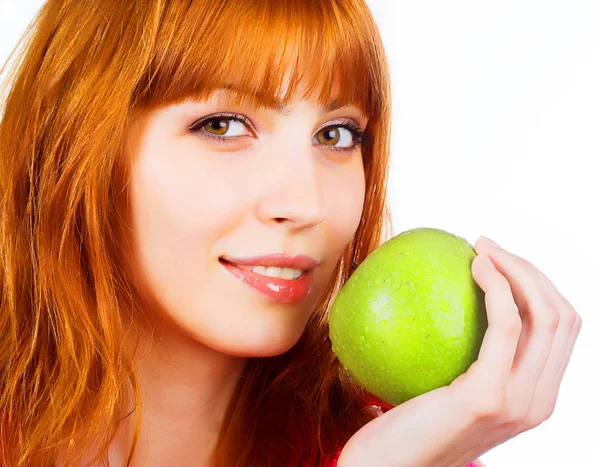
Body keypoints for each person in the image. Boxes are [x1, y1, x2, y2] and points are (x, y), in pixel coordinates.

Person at [0, 0, 582, 466]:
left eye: (336, 135)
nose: (306, 205)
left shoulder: (395, 447)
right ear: (72, 146)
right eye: (222, 125)